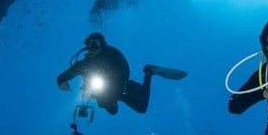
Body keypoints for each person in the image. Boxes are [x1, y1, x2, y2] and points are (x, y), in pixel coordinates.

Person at [57, 32, 187, 115]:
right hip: (108, 94)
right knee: (113, 110)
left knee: (142, 108)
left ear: (102, 46)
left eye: (95, 44)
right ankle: (112, 100)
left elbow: (123, 68)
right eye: (89, 44)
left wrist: (110, 78)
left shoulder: (109, 54)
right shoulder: (83, 64)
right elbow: (64, 75)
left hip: (123, 87)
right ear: (86, 46)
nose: (92, 47)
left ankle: (149, 71)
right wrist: (62, 82)